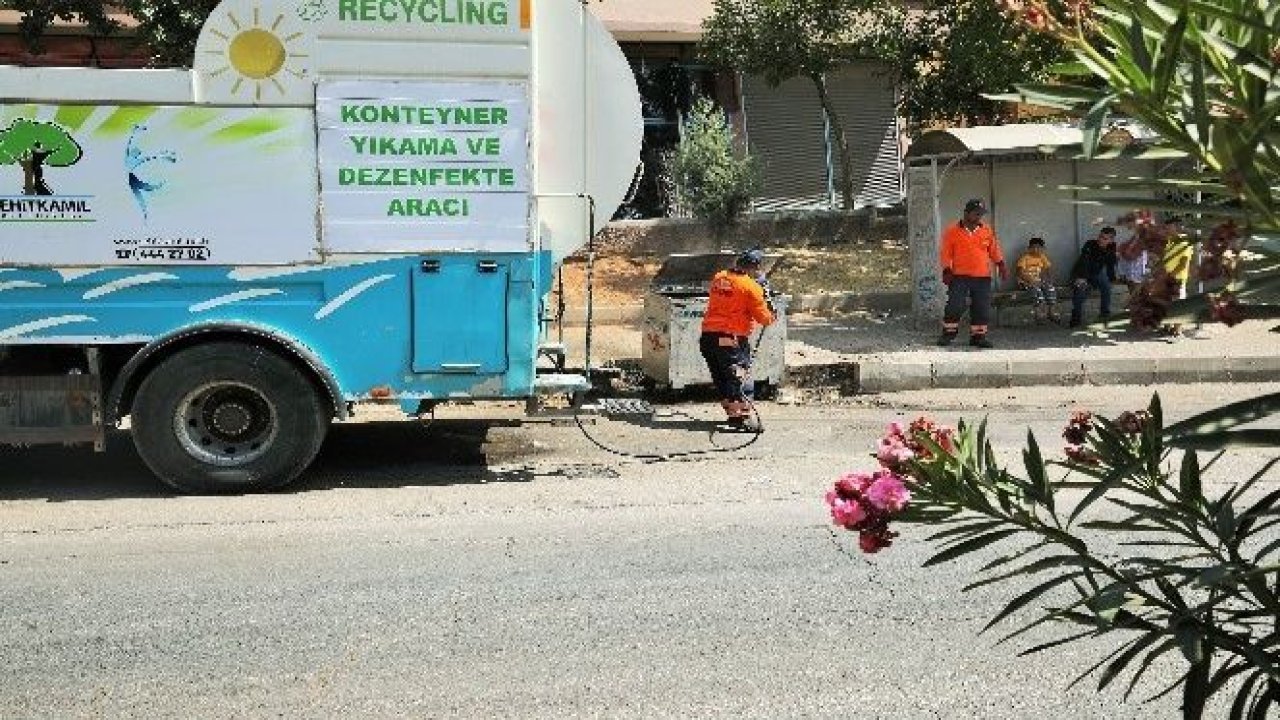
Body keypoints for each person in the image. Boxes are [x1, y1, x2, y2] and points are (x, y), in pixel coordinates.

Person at [700, 249, 775, 431]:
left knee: (722, 379)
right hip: (730, 340)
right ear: (755, 268)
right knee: (739, 378)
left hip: (708, 338)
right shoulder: (751, 287)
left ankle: (734, 417)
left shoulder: (719, 277)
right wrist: (765, 295)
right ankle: (743, 419)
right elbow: (765, 319)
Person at [938, 198, 1008, 348]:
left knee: (981, 308)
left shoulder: (986, 230)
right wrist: (946, 269)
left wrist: (1001, 264)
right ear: (966, 213)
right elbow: (945, 253)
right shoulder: (952, 231)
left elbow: (994, 249)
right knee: (955, 305)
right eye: (976, 214)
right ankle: (948, 334)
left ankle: (978, 337)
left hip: (982, 277)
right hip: (959, 276)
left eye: (980, 214)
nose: (979, 217)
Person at [1068, 226, 1119, 327]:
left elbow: (1110, 265)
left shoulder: (1112, 248)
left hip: (1096, 274)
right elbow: (1084, 261)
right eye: (1100, 236)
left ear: (1111, 240)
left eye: (1105, 238)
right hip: (1081, 273)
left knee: (1107, 287)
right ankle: (1076, 318)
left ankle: (1104, 314)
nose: (1100, 239)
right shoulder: (1090, 244)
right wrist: (1082, 278)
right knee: (1080, 291)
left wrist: (1112, 279)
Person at [1014, 236, 1059, 323]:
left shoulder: (1042, 257)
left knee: (1050, 288)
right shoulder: (1025, 258)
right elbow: (1020, 273)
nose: (1035, 250)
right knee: (1037, 291)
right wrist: (1031, 281)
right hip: (1025, 282)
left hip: (1038, 281)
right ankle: (1038, 313)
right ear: (1029, 248)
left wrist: (1049, 280)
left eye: (1038, 248)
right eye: (1033, 247)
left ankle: (1051, 311)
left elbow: (1048, 269)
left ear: (1042, 249)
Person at [1115, 231, 1149, 299]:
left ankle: (1137, 298)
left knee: (1135, 286)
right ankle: (1136, 298)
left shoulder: (1140, 245)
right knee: (1133, 286)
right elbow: (1125, 253)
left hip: (1135, 273)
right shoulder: (1132, 242)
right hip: (1132, 273)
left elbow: (1127, 255)